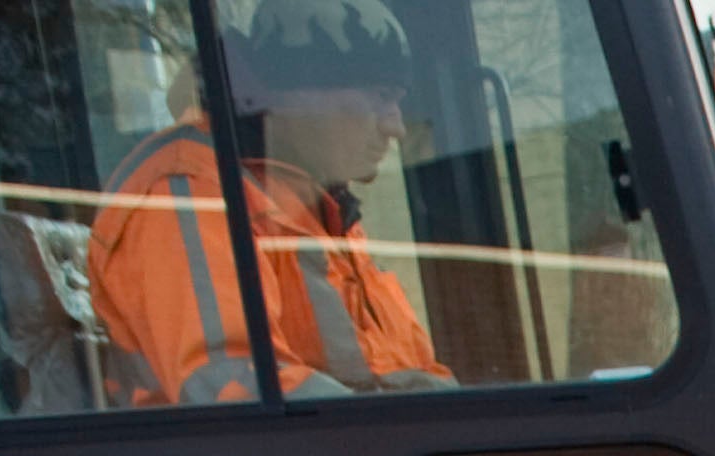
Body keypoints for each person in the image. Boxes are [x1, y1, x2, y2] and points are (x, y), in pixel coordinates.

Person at [90, 0, 451, 405]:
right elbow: (230, 389)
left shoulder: (317, 203)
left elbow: (402, 373)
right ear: (299, 92)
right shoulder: (189, 194)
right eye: (380, 97)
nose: (396, 127)